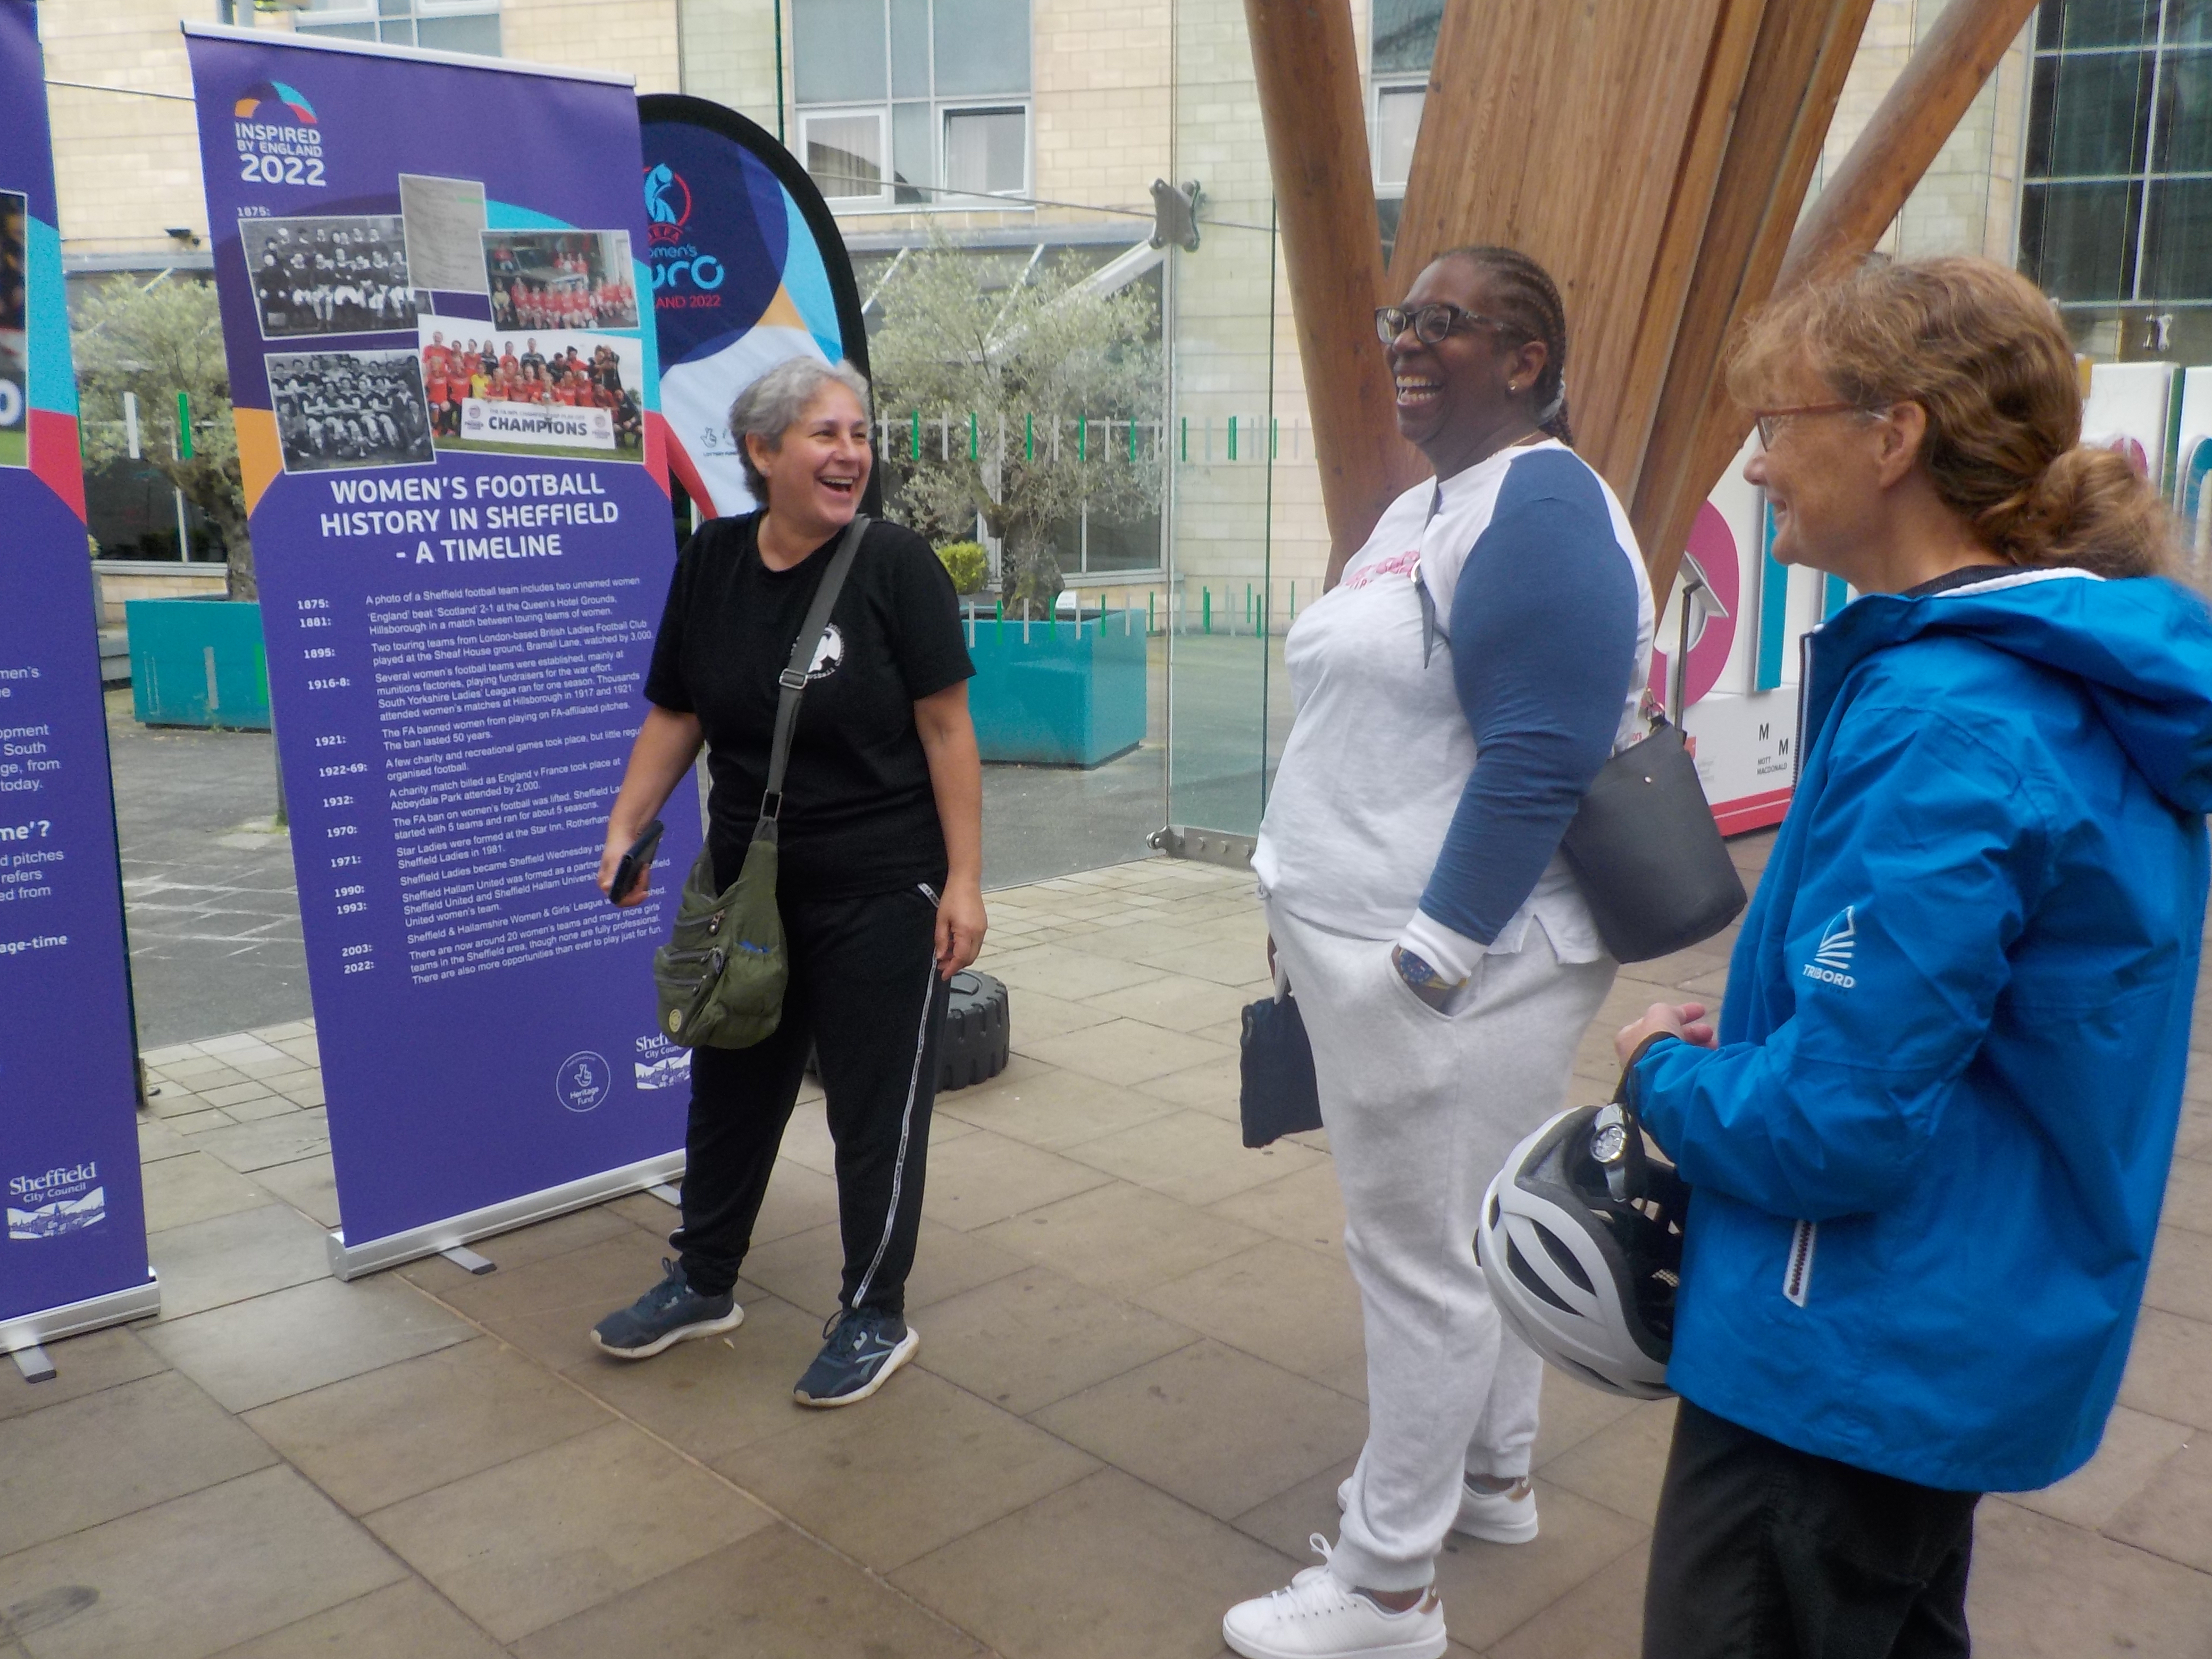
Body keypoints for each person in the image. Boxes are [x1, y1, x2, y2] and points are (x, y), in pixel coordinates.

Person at [1615, 256, 2212, 1659]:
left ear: (1896, 436)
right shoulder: (2060, 677)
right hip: (1950, 1333)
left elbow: (1838, 1130)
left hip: (1838, 1361)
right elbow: (1958, 1029)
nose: (1758, 466)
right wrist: (1765, 1044)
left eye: (1780, 421)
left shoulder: (1950, 719)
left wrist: (1661, 1081)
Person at [1224, 246, 1654, 1659]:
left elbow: (1545, 748)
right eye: (1402, 319)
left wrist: (1426, 961)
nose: (1408, 341)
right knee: (1479, 1229)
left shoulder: (1540, 504)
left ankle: (1389, 1589)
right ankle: (1491, 1477)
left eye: (1446, 325)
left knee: (1418, 1260)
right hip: (1388, 944)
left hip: (1453, 965)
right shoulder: (1428, 503)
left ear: (1525, 362)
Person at [590, 355, 987, 1408]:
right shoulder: (712, 560)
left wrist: (963, 883)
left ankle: (873, 1310)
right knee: (732, 1085)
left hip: (880, 887)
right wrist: (627, 826)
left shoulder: (896, 568)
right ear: (761, 452)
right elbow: (678, 713)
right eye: (824, 435)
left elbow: (947, 730)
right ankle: (704, 1278)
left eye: (858, 434)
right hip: (747, 888)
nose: (850, 453)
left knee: (873, 1112)